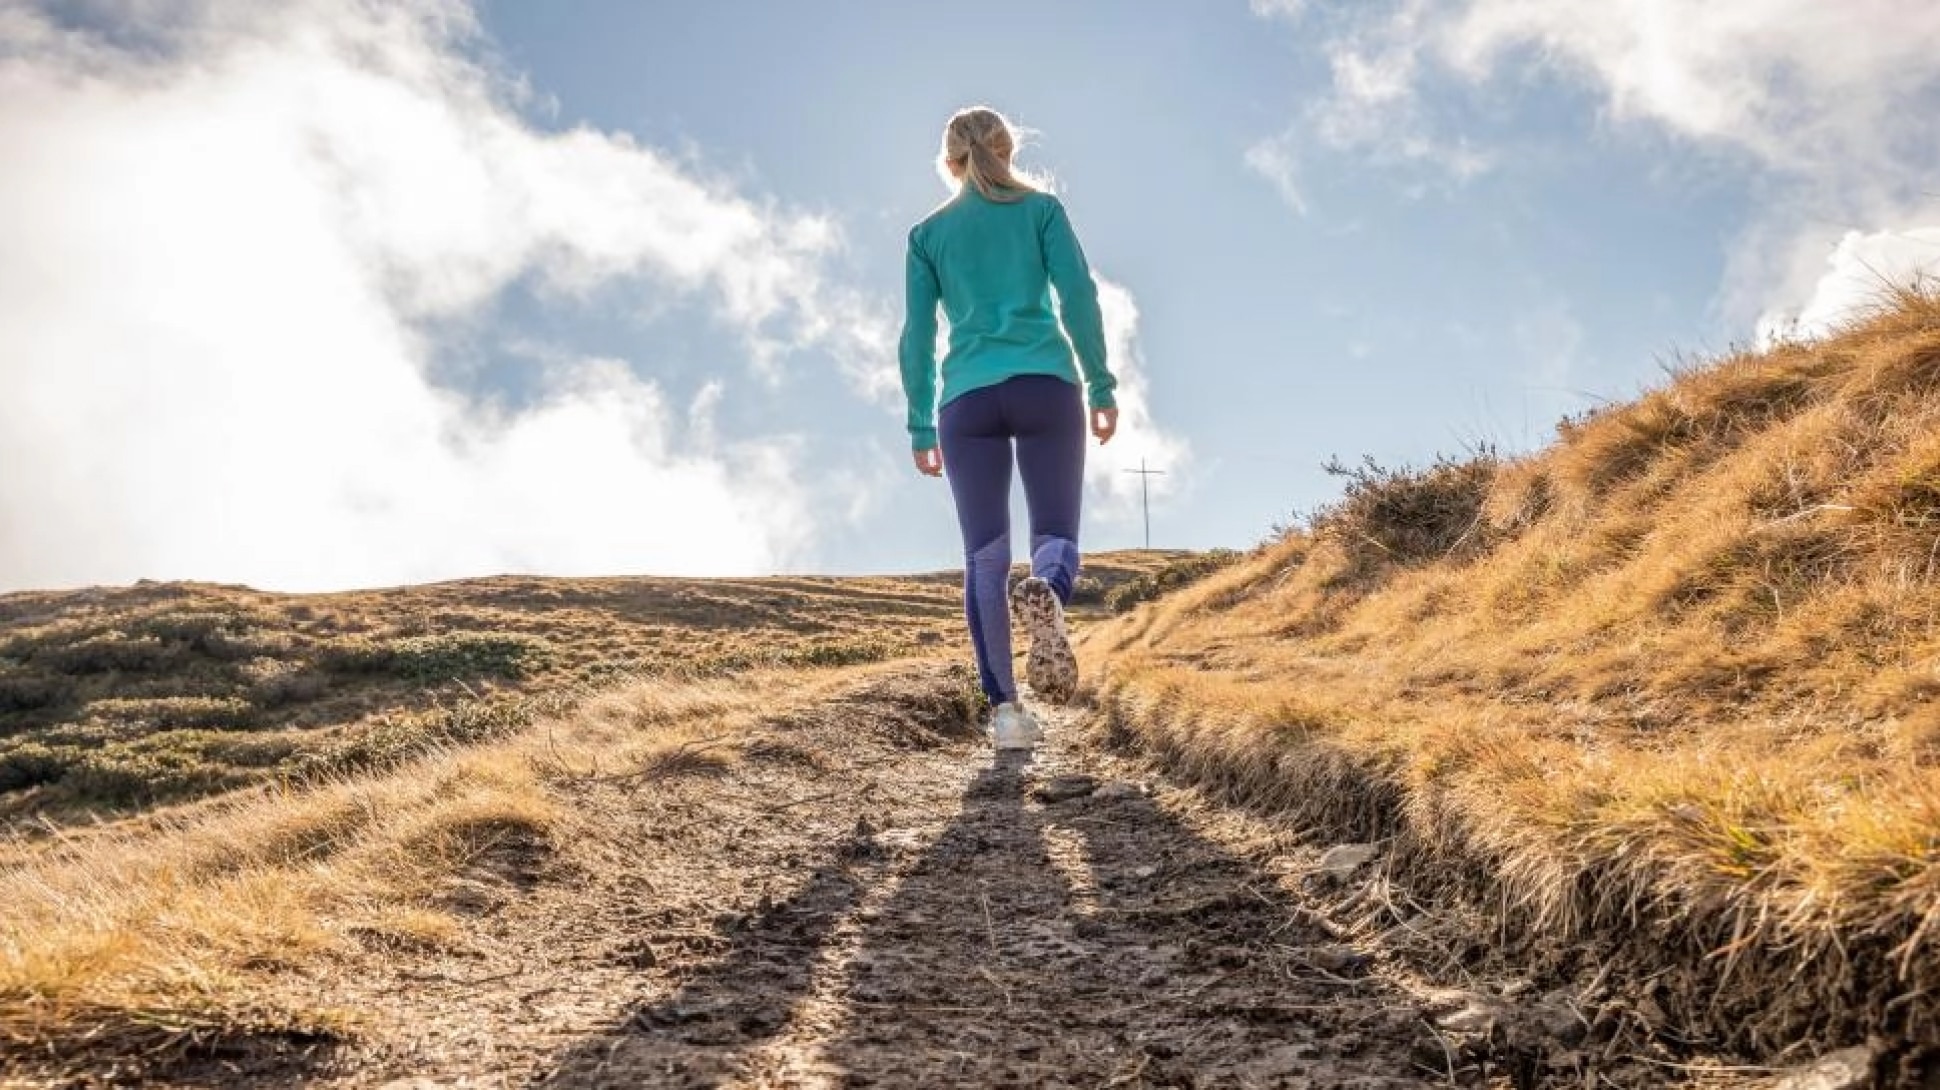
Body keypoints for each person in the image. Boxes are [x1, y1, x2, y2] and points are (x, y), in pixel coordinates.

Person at [898, 106, 1120, 751]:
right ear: (1007, 149)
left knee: (984, 558)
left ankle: (1006, 715)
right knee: (1054, 533)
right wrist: (1101, 383)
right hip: (1045, 385)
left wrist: (919, 423)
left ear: (950, 164)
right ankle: (1047, 591)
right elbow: (1078, 296)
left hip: (966, 402)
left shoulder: (927, 235)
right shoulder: (1041, 210)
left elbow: (917, 336)